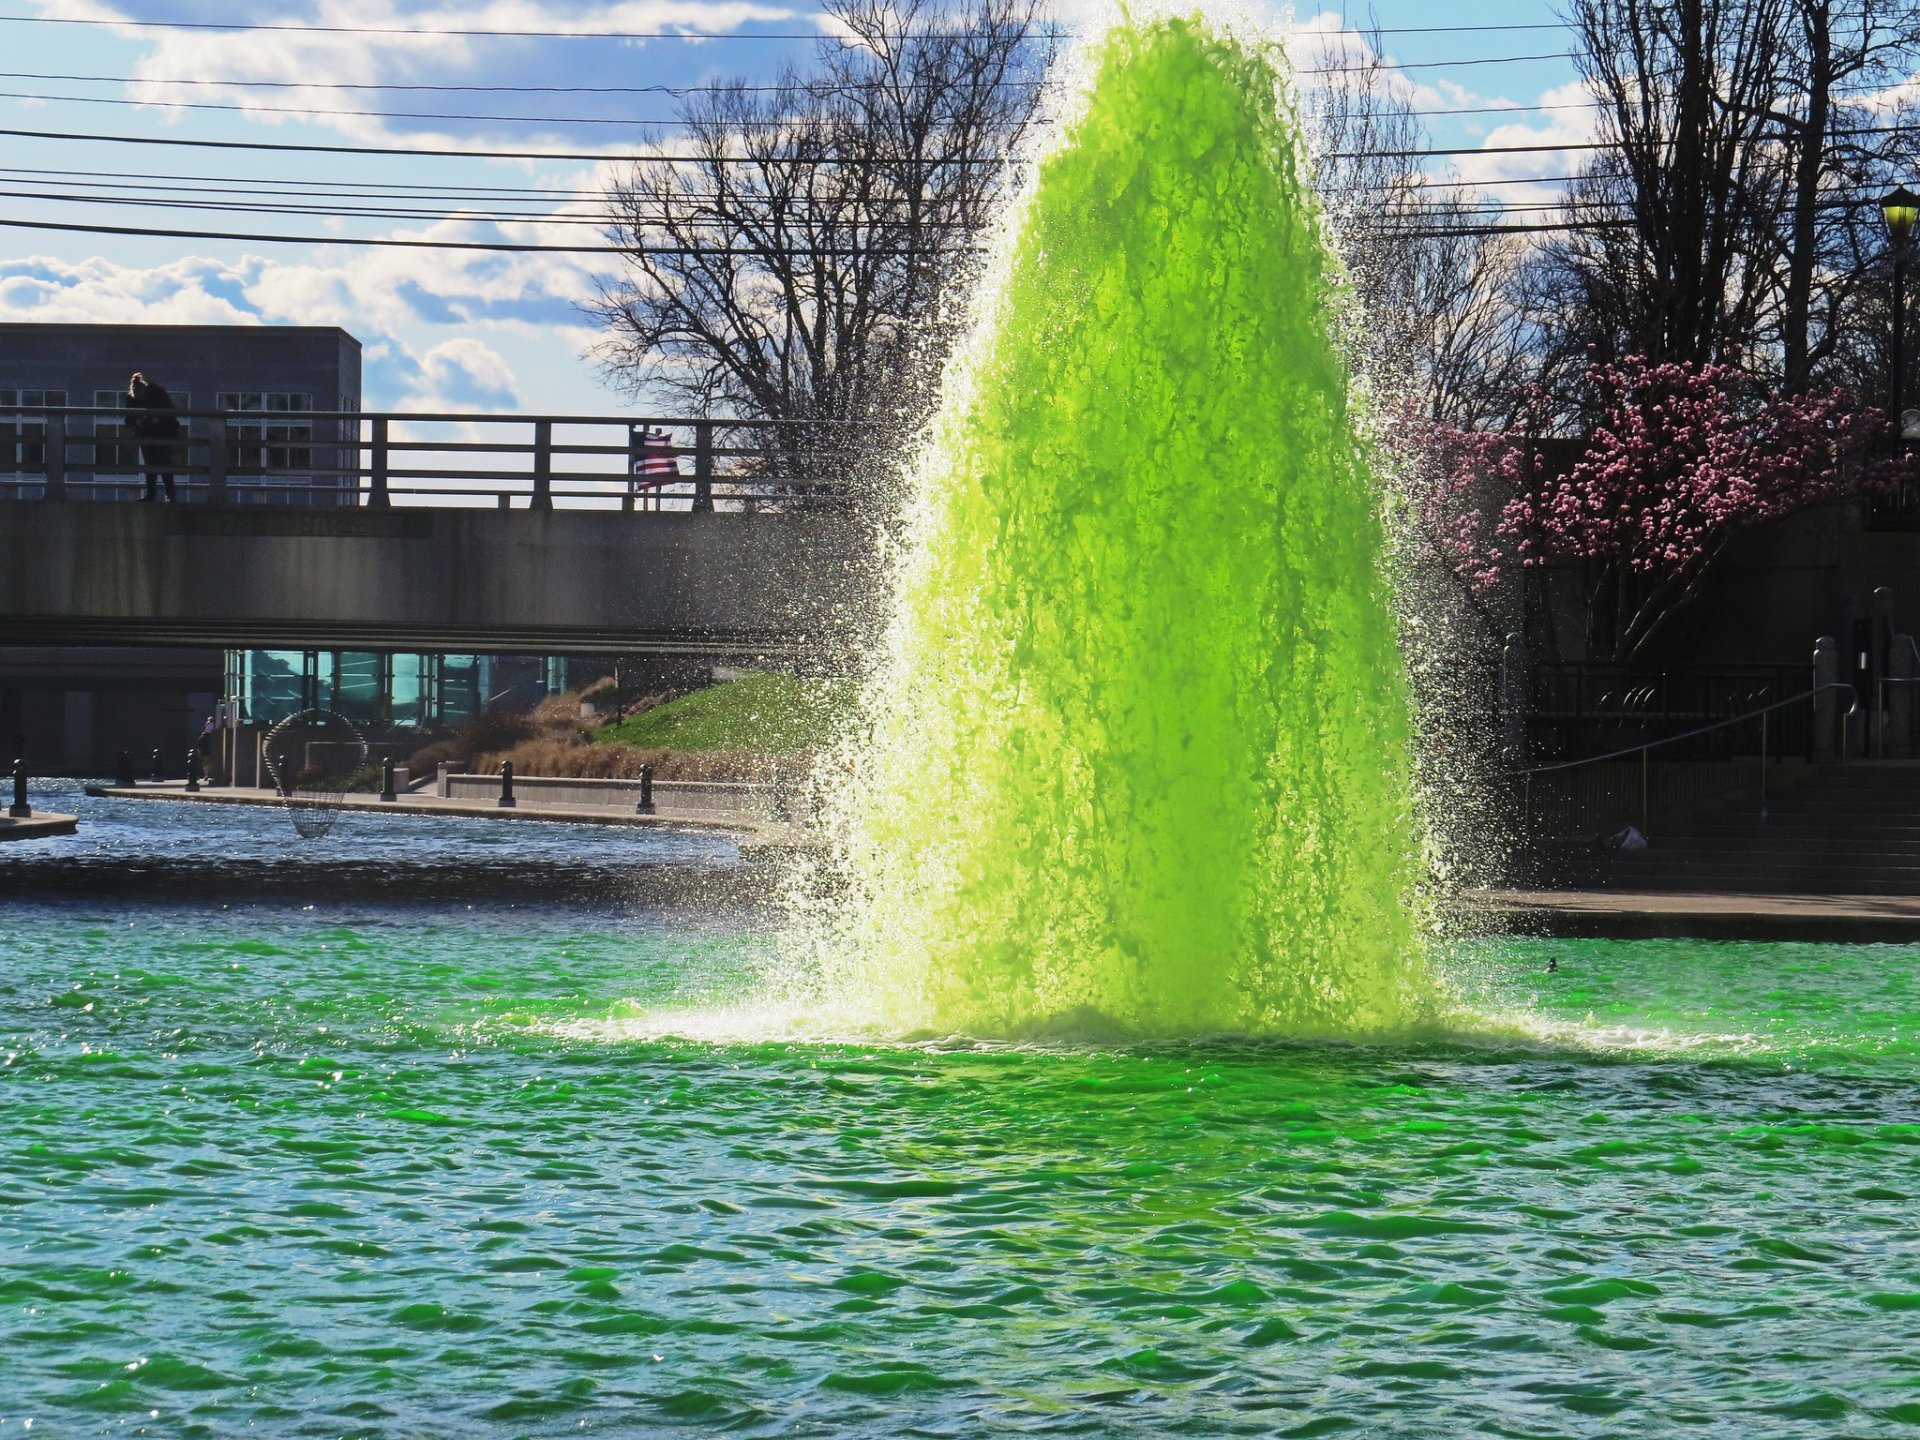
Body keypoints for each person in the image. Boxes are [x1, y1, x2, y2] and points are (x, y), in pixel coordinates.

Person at [126, 372, 182, 502]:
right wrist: (138, 421)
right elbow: (128, 420)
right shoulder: (135, 397)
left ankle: (164, 494)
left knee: (162, 462)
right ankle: (158, 494)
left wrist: (157, 418)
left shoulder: (157, 392)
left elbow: (169, 412)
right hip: (148, 432)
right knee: (154, 464)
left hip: (163, 431)